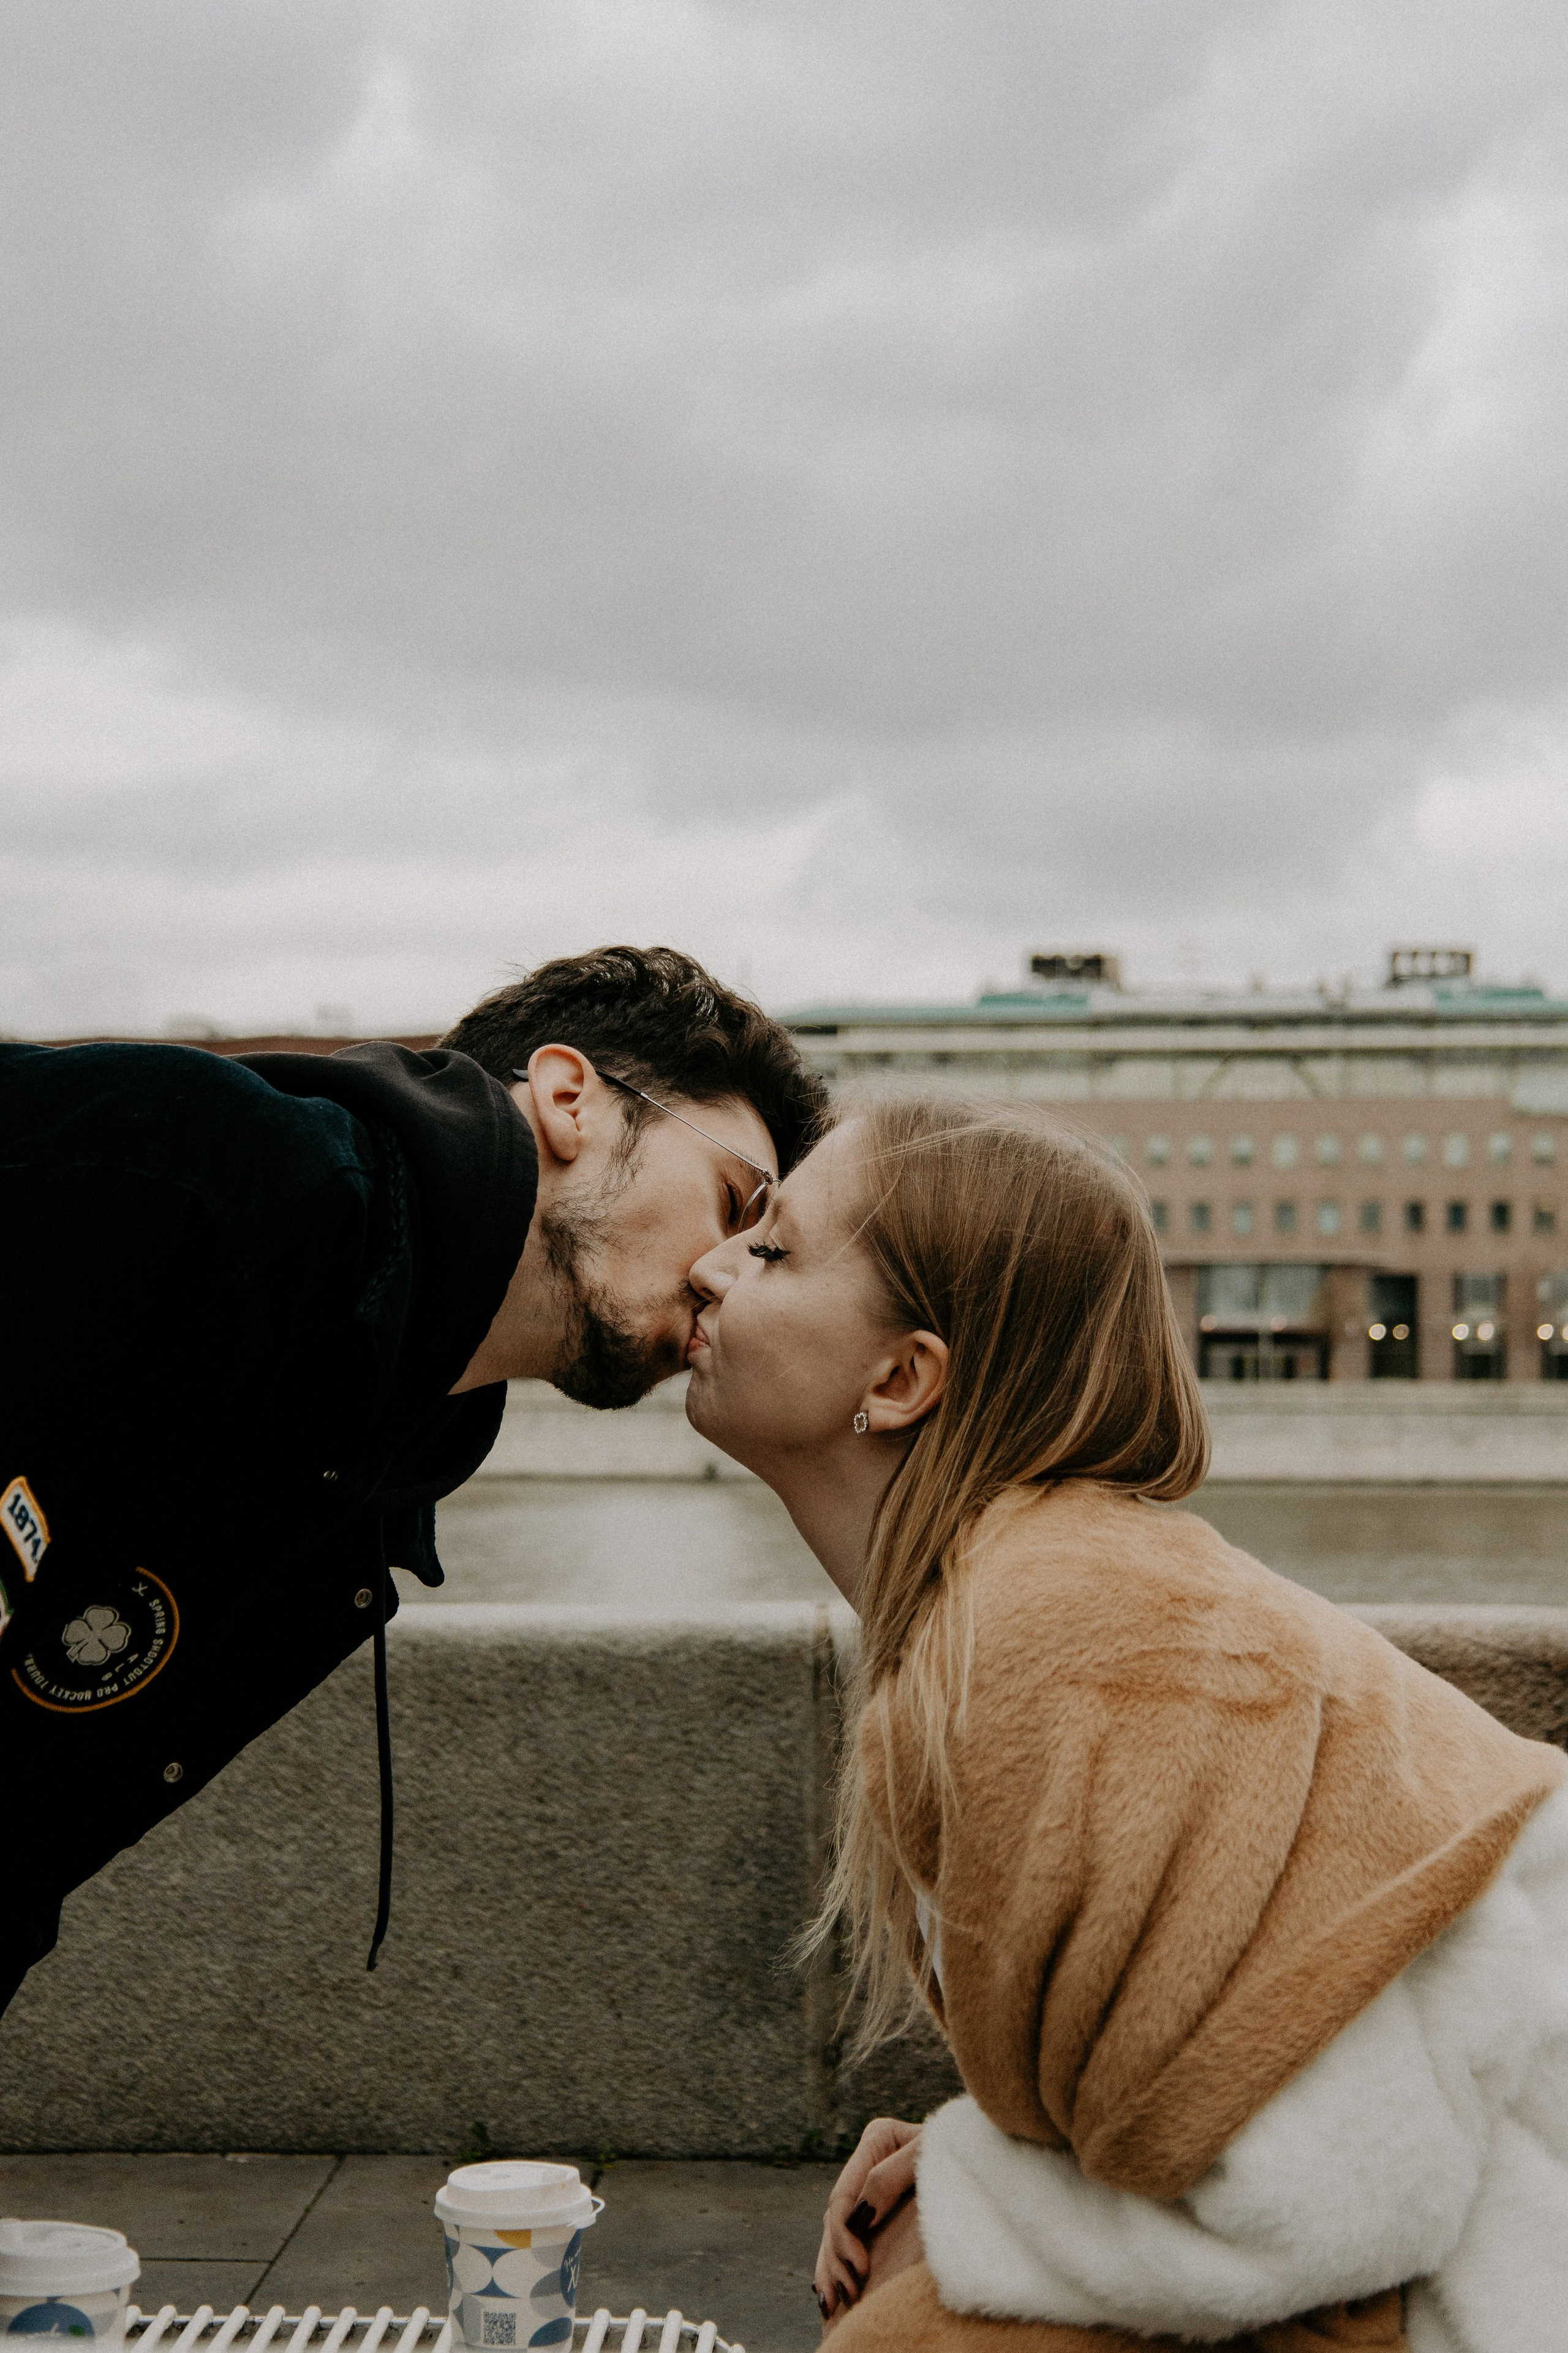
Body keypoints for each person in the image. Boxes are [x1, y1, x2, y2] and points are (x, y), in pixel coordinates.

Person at [683, 1095, 1568, 2353]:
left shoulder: (1069, 1635)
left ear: (898, 1376)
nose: (706, 1269)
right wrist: (970, 2156)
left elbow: (1334, 2205)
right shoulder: (1026, 1606)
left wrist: (975, 2212)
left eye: (768, 1250)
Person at [0, 945, 826, 2015]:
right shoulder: (215, 1160)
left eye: (766, 1247)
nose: (728, 1275)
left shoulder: (376, 1485)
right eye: (734, 1199)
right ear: (573, 1099)